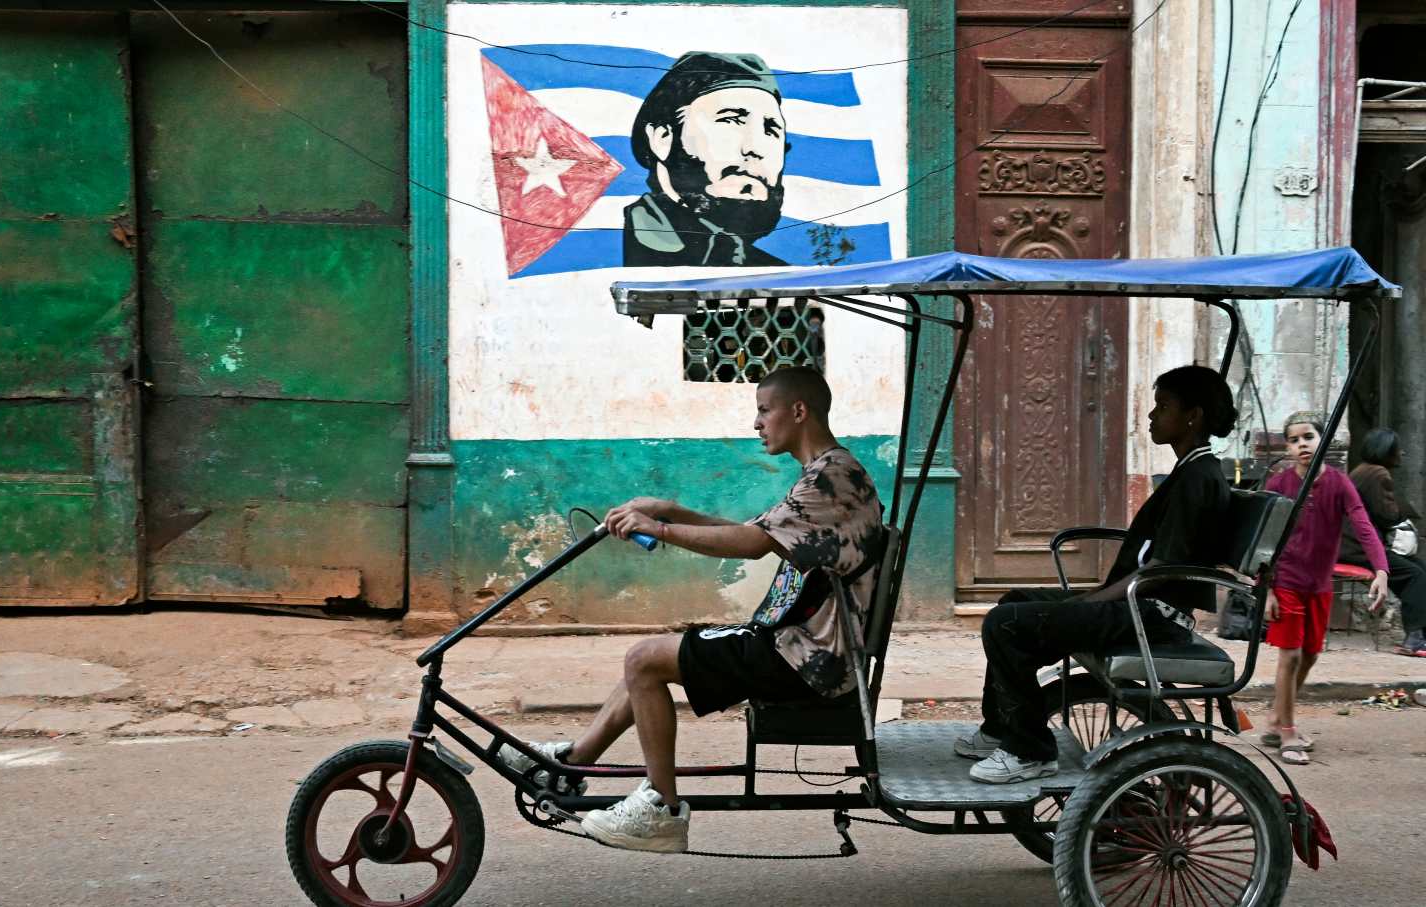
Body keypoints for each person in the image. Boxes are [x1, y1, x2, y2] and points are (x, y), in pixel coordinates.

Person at [502, 366, 883, 852]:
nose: (757, 423)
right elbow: (757, 532)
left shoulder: (830, 480)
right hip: (799, 645)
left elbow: (749, 544)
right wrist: (672, 510)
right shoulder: (827, 474)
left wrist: (659, 529)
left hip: (805, 659)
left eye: (764, 411)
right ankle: (571, 765)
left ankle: (661, 808)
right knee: (653, 660)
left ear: (799, 411)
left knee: (645, 658)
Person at [956, 365, 1235, 784]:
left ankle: (1028, 751)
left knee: (1005, 625)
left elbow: (1160, 570)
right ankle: (1000, 727)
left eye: (1163, 407)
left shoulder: (1197, 477)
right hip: (1138, 604)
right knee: (1014, 603)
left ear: (1192, 416)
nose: (1151, 416)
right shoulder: (1188, 471)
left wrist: (1093, 600)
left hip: (1153, 614)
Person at [1262, 414, 1388, 765]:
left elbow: (1363, 524)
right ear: (1287, 447)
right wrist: (1266, 589)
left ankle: (1275, 718)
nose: (1302, 444)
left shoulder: (1339, 483)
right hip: (1284, 580)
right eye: (1293, 440)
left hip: (1319, 584)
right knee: (1290, 655)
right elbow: (1261, 540)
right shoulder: (1278, 485)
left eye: (1308, 437)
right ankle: (1287, 731)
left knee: (1312, 653)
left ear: (1322, 441)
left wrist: (1380, 569)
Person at [623, 51, 788, 267]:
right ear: (662, 138)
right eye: (731, 120)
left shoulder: (779, 275)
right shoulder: (637, 250)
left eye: (771, 130)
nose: (754, 148)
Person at [1339, 427, 1426, 657]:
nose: (1402, 453)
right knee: (1415, 575)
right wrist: (1405, 510)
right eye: (1398, 449)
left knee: (1418, 569)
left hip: (1352, 545)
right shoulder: (1378, 474)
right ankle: (1415, 639)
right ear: (1386, 451)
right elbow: (1386, 515)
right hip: (1358, 548)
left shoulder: (1362, 470)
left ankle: (1420, 634)